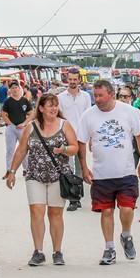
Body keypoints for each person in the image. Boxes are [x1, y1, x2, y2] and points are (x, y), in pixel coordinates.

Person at [77, 80, 140, 265]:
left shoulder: (129, 112)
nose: (97, 99)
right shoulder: (88, 116)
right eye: (95, 95)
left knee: (127, 209)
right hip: (101, 174)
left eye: (101, 95)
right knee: (106, 211)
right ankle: (109, 248)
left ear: (111, 94)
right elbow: (81, 143)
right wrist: (84, 167)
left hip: (126, 172)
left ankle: (126, 235)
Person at [5, 94, 79, 266]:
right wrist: (12, 171)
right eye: (49, 105)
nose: (53, 108)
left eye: (55, 105)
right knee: (36, 212)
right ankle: (38, 251)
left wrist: (64, 149)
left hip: (57, 176)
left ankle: (57, 251)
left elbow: (75, 147)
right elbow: (21, 150)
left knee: (55, 213)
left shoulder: (64, 125)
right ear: (41, 108)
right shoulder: (31, 127)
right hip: (35, 175)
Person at [57, 67, 92, 212]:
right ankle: (73, 198)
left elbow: (89, 116)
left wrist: (90, 137)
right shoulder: (60, 97)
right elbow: (58, 117)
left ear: (79, 80)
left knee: (80, 167)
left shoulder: (86, 96)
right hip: (66, 136)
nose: (72, 82)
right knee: (68, 167)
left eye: (75, 79)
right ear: (67, 80)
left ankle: (76, 196)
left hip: (82, 137)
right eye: (70, 79)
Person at [1, 80, 34, 178]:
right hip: (11, 128)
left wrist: (24, 123)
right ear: (10, 90)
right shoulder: (7, 101)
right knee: (10, 150)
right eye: (12, 88)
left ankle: (26, 169)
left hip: (22, 128)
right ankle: (9, 170)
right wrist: (10, 124)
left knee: (24, 149)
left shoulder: (24, 101)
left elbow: (31, 113)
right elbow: (3, 114)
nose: (14, 90)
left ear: (19, 88)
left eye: (16, 87)